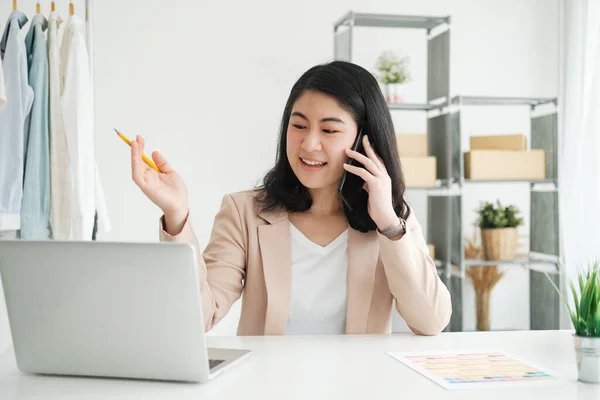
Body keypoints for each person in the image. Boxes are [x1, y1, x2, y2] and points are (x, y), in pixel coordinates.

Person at [130, 60, 452, 336]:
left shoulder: (391, 220)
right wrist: (176, 214)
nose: (309, 144)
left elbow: (430, 322)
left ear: (364, 140)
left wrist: (389, 224)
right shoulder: (244, 213)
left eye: (328, 131)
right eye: (299, 125)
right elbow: (198, 316)